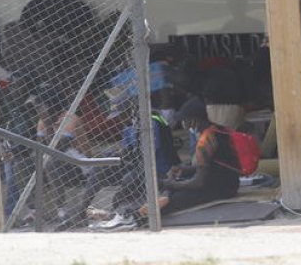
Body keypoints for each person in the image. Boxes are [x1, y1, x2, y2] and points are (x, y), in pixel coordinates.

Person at [94, 97, 239, 229]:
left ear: (194, 119)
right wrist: (184, 169)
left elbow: (199, 183)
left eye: (185, 119)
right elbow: (213, 166)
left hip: (221, 188)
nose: (183, 124)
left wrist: (170, 184)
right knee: (170, 192)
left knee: (172, 199)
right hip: (227, 181)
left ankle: (133, 218)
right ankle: (129, 213)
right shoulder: (217, 130)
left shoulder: (205, 141)